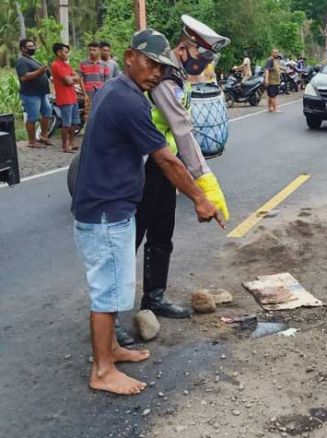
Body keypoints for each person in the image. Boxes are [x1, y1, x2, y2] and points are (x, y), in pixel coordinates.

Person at [71, 28, 221, 395]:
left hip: (108, 206)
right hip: (105, 211)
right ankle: (102, 371)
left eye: (162, 67)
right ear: (129, 57)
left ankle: (113, 350)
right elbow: (167, 161)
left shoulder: (118, 91)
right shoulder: (130, 101)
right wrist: (201, 199)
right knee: (107, 292)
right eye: (151, 63)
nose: (156, 72)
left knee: (116, 286)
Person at [113, 15, 232, 346]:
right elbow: (181, 129)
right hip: (144, 165)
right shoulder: (164, 79)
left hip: (164, 165)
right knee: (130, 241)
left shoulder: (178, 76)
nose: (205, 64)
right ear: (185, 48)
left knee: (162, 233)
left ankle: (154, 297)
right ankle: (111, 319)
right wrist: (203, 180)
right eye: (203, 57)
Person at [15, 38, 53, 148]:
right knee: (32, 117)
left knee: (47, 113)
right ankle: (32, 141)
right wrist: (40, 71)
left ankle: (43, 136)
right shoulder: (21, 61)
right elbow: (24, 77)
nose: (33, 48)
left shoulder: (32, 59)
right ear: (23, 49)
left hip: (42, 93)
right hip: (30, 94)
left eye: (33, 46)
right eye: (30, 46)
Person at [50, 42, 82, 153]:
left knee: (75, 122)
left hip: (73, 97)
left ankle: (71, 143)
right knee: (66, 124)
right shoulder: (56, 65)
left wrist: (72, 77)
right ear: (59, 52)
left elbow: (78, 77)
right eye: (66, 52)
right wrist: (73, 78)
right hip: (65, 98)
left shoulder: (66, 65)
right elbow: (69, 81)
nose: (67, 54)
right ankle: (65, 145)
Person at [264, 48, 282, 112]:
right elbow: (267, 70)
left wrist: (284, 69)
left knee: (270, 95)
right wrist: (266, 80)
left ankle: (270, 108)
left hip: (275, 81)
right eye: (275, 52)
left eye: (277, 52)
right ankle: (274, 109)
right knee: (273, 96)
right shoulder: (270, 60)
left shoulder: (275, 60)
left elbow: (277, 67)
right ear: (272, 53)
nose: (276, 54)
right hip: (272, 81)